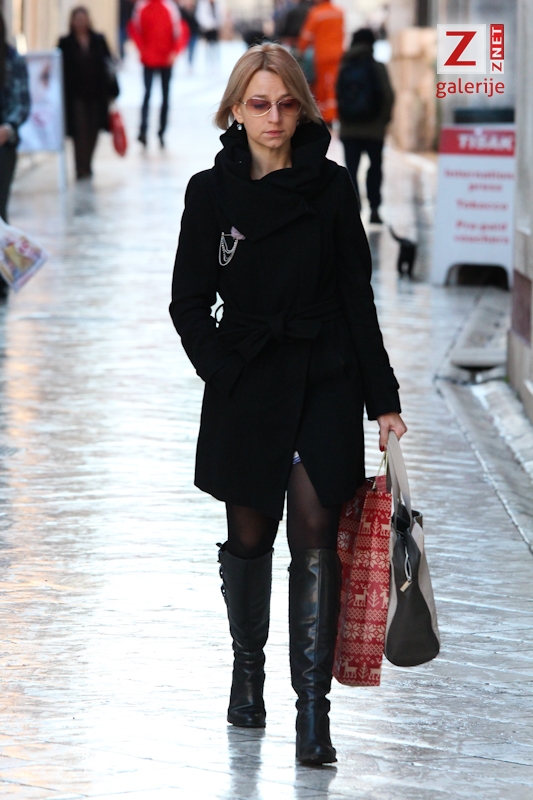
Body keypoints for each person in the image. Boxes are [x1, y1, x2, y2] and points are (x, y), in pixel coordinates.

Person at [169, 43, 406, 765]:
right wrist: (222, 371)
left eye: (285, 103)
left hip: (324, 377)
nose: (273, 118)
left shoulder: (331, 188)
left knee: (314, 532)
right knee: (249, 537)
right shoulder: (209, 193)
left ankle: (312, 713)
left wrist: (383, 401)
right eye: (258, 104)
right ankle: (247, 674)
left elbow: (356, 298)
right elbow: (187, 302)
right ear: (236, 111)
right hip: (246, 380)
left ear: (302, 107)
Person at [338, 28, 394, 224]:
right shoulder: (377, 67)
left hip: (349, 129)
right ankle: (375, 209)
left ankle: (355, 210)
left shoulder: (344, 66)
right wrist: (383, 121)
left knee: (351, 171)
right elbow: (388, 95)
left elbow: (338, 95)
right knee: (375, 168)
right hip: (374, 129)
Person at [58, 7, 119, 180]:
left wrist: (112, 90)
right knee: (79, 131)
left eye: (83, 18)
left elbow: (108, 64)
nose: (80, 22)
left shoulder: (98, 40)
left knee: (93, 129)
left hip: (97, 94)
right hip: (76, 95)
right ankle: (80, 167)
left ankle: (88, 163)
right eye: (77, 19)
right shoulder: (65, 43)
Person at [0, 11, 30, 298]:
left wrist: (7, 128)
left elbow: (22, 102)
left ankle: (3, 277)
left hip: (3, 146)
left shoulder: (11, 59)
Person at [128, 0, 182, 148]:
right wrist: (142, 49)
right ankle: (143, 130)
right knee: (147, 95)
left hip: (165, 60)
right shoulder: (142, 7)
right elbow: (134, 28)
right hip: (149, 59)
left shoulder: (169, 8)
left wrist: (174, 52)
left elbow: (179, 31)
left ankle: (162, 131)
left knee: (165, 96)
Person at [297, 0, 343, 125]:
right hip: (338, 55)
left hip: (322, 56)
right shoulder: (339, 12)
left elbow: (306, 36)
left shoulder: (316, 13)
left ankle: (326, 116)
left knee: (323, 86)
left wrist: (300, 50)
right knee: (334, 84)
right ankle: (334, 114)